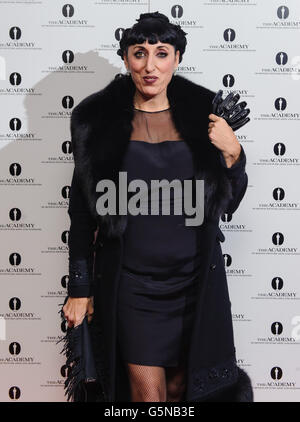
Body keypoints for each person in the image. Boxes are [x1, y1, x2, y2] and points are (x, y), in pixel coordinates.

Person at [62, 11, 253, 402]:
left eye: (161, 53)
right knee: (149, 399)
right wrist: (79, 287)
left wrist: (234, 153)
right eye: (139, 53)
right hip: (133, 287)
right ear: (126, 58)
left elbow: (228, 201)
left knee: (186, 393)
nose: (150, 66)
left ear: (177, 59)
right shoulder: (98, 124)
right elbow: (81, 213)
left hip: (195, 284)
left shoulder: (207, 118)